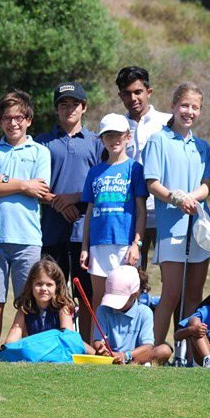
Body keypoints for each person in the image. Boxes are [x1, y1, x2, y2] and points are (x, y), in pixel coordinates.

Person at [0, 90, 51, 335]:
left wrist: (3, 182)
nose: (13, 123)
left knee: (28, 301)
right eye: (7, 118)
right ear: (1, 121)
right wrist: (21, 184)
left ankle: (28, 350)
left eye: (19, 117)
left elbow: (39, 189)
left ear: (28, 120)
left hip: (27, 239)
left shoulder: (40, 152)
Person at [143, 82, 210, 344]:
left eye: (195, 107)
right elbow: (152, 183)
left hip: (198, 228)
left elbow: (208, 186)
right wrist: (176, 198)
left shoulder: (202, 146)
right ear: (173, 106)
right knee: (171, 294)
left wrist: (190, 198)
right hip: (171, 229)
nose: (189, 112)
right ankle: (154, 351)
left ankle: (188, 355)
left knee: (194, 294)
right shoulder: (158, 140)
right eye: (184, 105)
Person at [34, 82, 103, 344]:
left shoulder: (96, 143)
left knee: (84, 293)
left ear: (84, 107)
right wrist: (58, 203)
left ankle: (84, 344)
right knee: (51, 292)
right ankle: (52, 343)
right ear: (56, 110)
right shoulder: (42, 142)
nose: (69, 109)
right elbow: (36, 185)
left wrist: (73, 200)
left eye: (74, 104)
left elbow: (100, 184)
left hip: (85, 231)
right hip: (51, 229)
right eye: (63, 104)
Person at [80, 113, 148, 315]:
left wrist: (137, 245)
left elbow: (141, 211)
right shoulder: (95, 172)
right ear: (102, 139)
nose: (113, 140)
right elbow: (90, 212)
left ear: (128, 136)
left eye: (118, 134)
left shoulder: (135, 169)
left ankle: (125, 345)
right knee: (99, 301)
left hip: (125, 244)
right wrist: (85, 247)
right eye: (108, 135)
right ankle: (98, 344)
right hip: (98, 244)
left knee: (126, 299)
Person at [116, 66, 172, 272]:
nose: (133, 98)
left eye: (138, 92)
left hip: (164, 210)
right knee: (132, 274)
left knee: (171, 274)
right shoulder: (117, 127)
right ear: (120, 95)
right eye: (127, 93)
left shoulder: (168, 123)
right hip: (130, 213)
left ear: (149, 91)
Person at [93, 265, 172, 365]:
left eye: (120, 298)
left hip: (135, 358)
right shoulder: (103, 310)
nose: (115, 303)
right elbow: (97, 340)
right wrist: (100, 347)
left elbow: (148, 346)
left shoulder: (145, 312)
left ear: (135, 294)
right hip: (109, 358)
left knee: (164, 350)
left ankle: (132, 365)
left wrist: (126, 355)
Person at [2, 257, 77, 344]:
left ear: (57, 287)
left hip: (57, 349)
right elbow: (15, 332)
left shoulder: (63, 308)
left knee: (83, 345)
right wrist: (7, 347)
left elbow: (68, 338)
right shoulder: (25, 308)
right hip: (35, 350)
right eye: (39, 284)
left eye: (49, 285)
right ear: (31, 285)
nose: (43, 288)